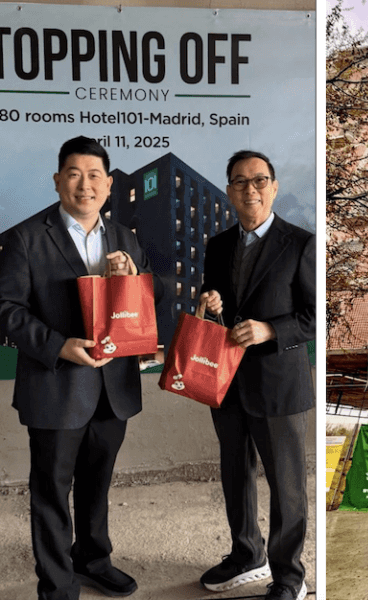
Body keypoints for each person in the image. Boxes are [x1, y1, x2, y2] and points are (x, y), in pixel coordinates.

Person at [0, 136, 164, 600]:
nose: (85, 184)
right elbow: (6, 309)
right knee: (51, 492)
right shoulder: (26, 237)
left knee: (97, 483)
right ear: (57, 181)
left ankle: (93, 560)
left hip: (113, 387)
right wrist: (58, 346)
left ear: (109, 186)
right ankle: (57, 586)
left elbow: (149, 301)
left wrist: (133, 278)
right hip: (55, 385)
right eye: (74, 174)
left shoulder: (125, 237)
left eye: (95, 176)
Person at [198, 150, 315, 600]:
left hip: (279, 383)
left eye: (260, 180)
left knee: (287, 486)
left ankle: (289, 577)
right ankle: (247, 553)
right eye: (241, 181)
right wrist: (212, 304)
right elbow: (217, 302)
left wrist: (270, 329)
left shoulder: (301, 243)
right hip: (225, 380)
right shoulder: (217, 245)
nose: (251, 189)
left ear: (274, 186)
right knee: (235, 473)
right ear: (229, 190)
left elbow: (313, 316)